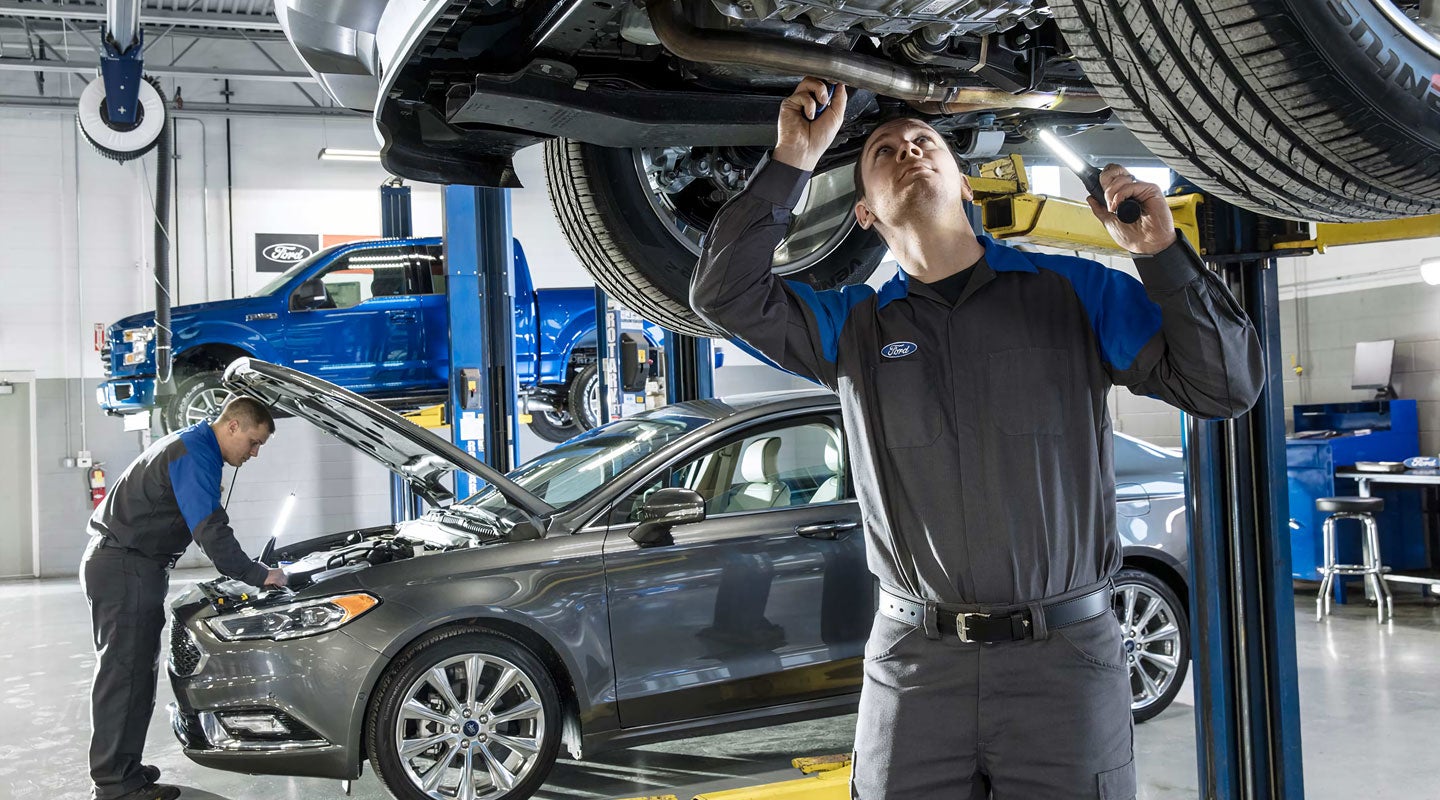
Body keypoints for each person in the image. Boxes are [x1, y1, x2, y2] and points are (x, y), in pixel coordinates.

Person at [691, 78, 1264, 799]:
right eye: (883, 150)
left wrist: (1162, 254)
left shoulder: (1074, 293)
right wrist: (792, 160)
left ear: (964, 182)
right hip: (913, 670)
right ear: (864, 213)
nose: (910, 151)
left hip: (1065, 666)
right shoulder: (854, 328)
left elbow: (1225, 387)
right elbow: (723, 294)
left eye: (926, 143)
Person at [82, 396, 287, 800]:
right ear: (232, 426)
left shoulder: (193, 444)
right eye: (253, 441)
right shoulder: (195, 451)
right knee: (123, 676)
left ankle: (125, 771)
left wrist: (248, 570)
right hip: (125, 565)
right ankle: (112, 784)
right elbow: (210, 528)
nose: (255, 453)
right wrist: (259, 575)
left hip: (133, 565)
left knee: (136, 675)